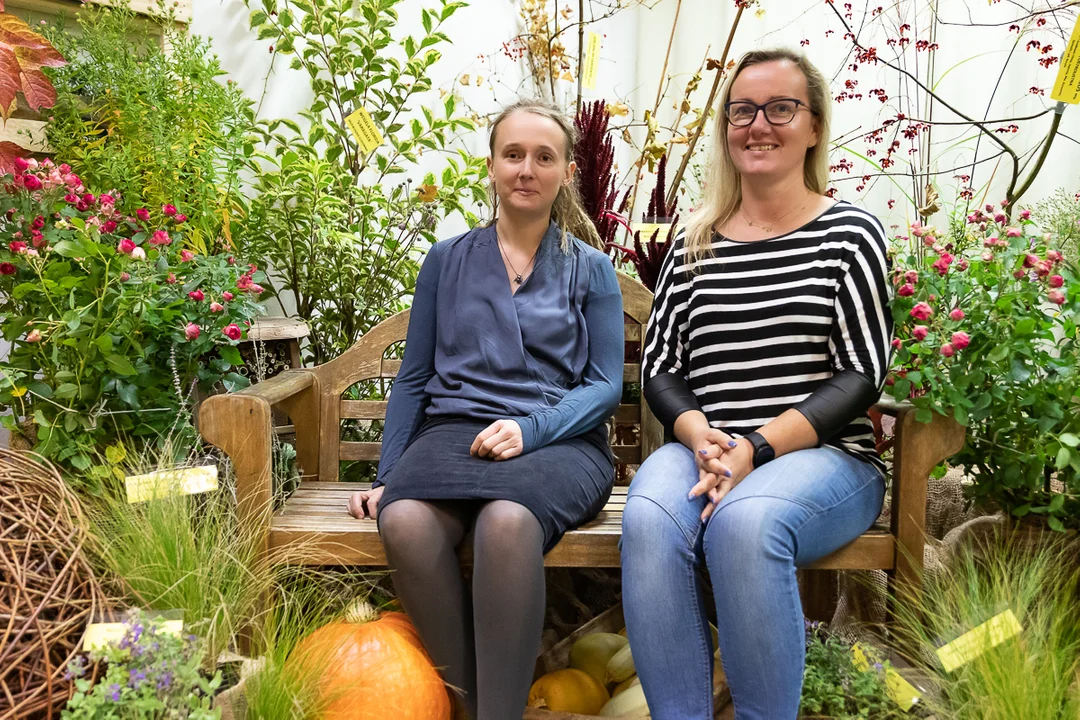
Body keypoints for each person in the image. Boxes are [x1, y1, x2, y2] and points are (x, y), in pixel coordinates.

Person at [620, 48, 893, 720]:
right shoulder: (695, 243)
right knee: (649, 521)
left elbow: (862, 372)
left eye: (780, 108)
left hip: (822, 459)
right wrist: (700, 436)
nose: (758, 125)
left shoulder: (849, 233)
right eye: (742, 111)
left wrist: (757, 450)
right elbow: (661, 367)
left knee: (745, 525)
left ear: (814, 127)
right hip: (705, 449)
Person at [346, 99, 624, 720]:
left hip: (560, 441)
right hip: (453, 434)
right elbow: (415, 377)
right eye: (514, 154)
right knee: (406, 521)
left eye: (543, 157)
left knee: (506, 522)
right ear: (493, 166)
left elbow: (606, 386)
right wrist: (386, 476)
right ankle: (469, 708)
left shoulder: (592, 269)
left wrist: (531, 430)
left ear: (565, 172)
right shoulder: (446, 261)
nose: (527, 168)